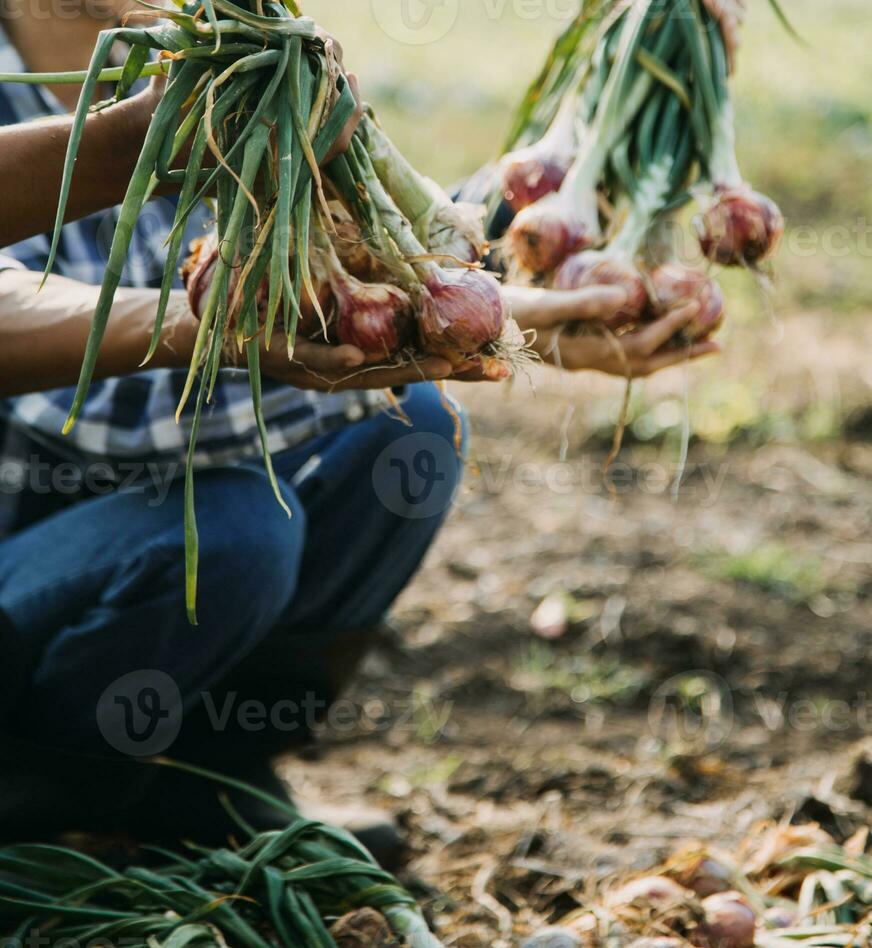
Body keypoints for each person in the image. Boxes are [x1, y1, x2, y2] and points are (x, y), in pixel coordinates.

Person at [0, 0, 719, 855]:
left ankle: (215, 779)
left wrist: (603, 111)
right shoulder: (176, 91)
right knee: (233, 527)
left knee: (411, 424)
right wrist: (214, 319)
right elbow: (82, 404)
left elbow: (379, 235)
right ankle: (50, 795)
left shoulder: (226, 61)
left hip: (148, 508)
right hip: (29, 548)